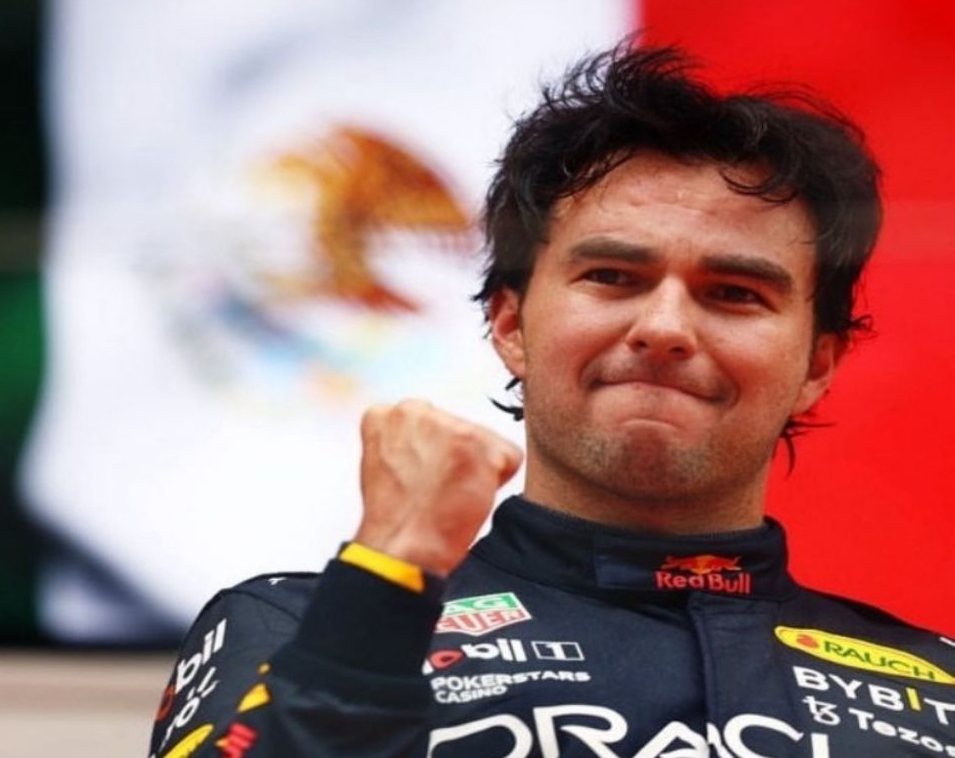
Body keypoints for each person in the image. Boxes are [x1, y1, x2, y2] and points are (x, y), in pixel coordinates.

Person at [147, 41, 955, 758]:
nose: (665, 327)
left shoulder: (936, 690)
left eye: (735, 292)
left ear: (818, 362)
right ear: (510, 326)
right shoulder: (295, 627)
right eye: (613, 276)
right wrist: (388, 578)